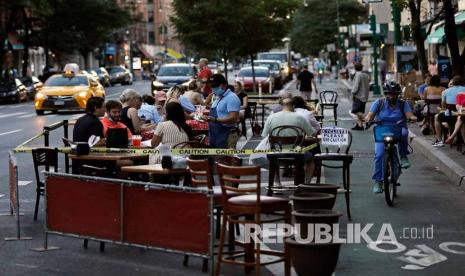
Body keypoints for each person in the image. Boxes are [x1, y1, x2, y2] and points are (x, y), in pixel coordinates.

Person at [365, 81, 417, 193]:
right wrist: (368, 118)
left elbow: (409, 115)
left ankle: (403, 156)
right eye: (389, 94)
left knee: (404, 133)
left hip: (398, 128)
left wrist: (413, 117)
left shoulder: (403, 104)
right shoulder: (379, 103)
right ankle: (378, 181)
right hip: (382, 130)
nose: (391, 96)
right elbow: (370, 115)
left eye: (394, 94)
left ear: (398, 94)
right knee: (379, 155)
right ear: (385, 93)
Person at [262, 98, 316, 183]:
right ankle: (307, 183)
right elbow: (312, 134)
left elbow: (264, 135)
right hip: (297, 154)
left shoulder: (271, 117)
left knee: (272, 160)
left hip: (277, 154)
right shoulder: (300, 117)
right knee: (311, 159)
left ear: (281, 106)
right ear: (293, 105)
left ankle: (277, 183)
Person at [206, 74, 241, 148]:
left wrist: (214, 119)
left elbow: (233, 118)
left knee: (224, 158)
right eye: (211, 86)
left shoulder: (232, 98)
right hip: (215, 135)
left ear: (224, 85)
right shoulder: (218, 97)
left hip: (226, 135)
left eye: (215, 86)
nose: (213, 88)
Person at [432, 76, 465, 147]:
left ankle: (439, 140)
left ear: (453, 83)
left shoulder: (445, 91)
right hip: (461, 114)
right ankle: (456, 138)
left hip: (450, 115)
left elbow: (443, 106)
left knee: (436, 117)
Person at [351, 63, 370, 130]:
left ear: (355, 68)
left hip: (358, 96)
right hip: (365, 95)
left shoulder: (358, 75)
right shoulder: (365, 75)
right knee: (360, 111)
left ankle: (367, 120)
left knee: (355, 111)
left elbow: (356, 86)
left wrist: (353, 93)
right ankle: (360, 125)